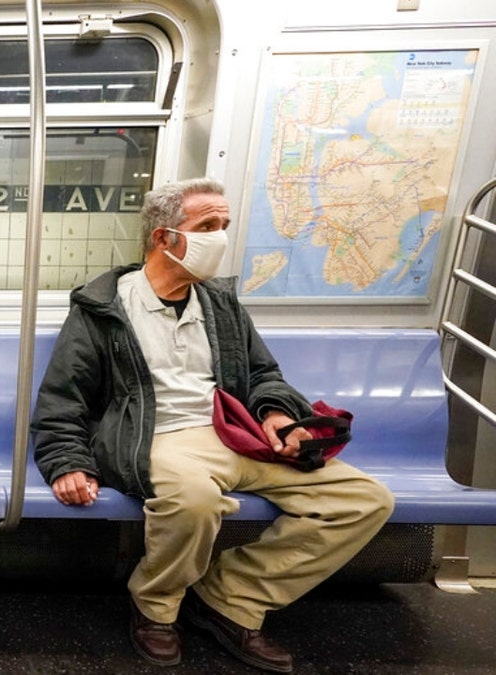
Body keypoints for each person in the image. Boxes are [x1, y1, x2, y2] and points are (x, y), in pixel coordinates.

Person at [31, 177, 394, 673]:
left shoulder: (220, 306)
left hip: (235, 433)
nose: (219, 238)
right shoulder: (104, 310)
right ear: (164, 238)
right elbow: (62, 398)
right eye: (207, 226)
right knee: (194, 502)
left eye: (223, 225)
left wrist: (277, 415)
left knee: (363, 501)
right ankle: (156, 607)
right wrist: (66, 462)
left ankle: (229, 596)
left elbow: (263, 374)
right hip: (157, 434)